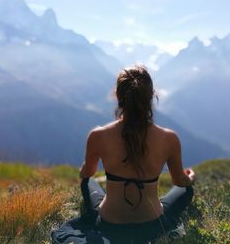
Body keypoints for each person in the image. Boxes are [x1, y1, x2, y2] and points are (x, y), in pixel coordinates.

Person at [78, 65, 195, 243]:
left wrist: (83, 172)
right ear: (151, 97)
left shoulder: (98, 136)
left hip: (109, 222)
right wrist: (190, 178)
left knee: (88, 182)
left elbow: (87, 173)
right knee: (186, 190)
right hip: (152, 223)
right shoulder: (169, 138)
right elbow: (179, 181)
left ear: (118, 96)